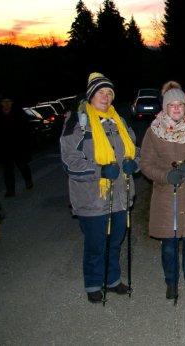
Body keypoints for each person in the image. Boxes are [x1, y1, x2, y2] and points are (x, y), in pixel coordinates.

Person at [60, 72, 139, 303]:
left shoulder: (119, 121)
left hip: (121, 195)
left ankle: (112, 280)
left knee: (115, 241)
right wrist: (100, 170)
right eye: (100, 92)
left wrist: (134, 163)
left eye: (109, 93)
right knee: (96, 244)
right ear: (91, 95)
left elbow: (135, 150)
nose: (105, 97)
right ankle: (94, 283)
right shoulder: (78, 122)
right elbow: (69, 161)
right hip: (92, 199)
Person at [140, 81, 185, 300]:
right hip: (166, 196)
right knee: (169, 244)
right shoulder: (153, 132)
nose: (176, 108)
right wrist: (165, 176)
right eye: (171, 105)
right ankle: (171, 281)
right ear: (165, 107)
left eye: (180, 104)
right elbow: (145, 163)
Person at [0, 95, 33, 197]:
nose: (6, 104)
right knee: (7, 170)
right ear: (1, 103)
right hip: (4, 147)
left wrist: (26, 142)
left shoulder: (19, 113)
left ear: (12, 102)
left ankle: (28, 180)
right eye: (4, 102)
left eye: (8, 101)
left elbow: (26, 128)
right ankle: (10, 190)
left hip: (18, 145)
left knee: (22, 165)